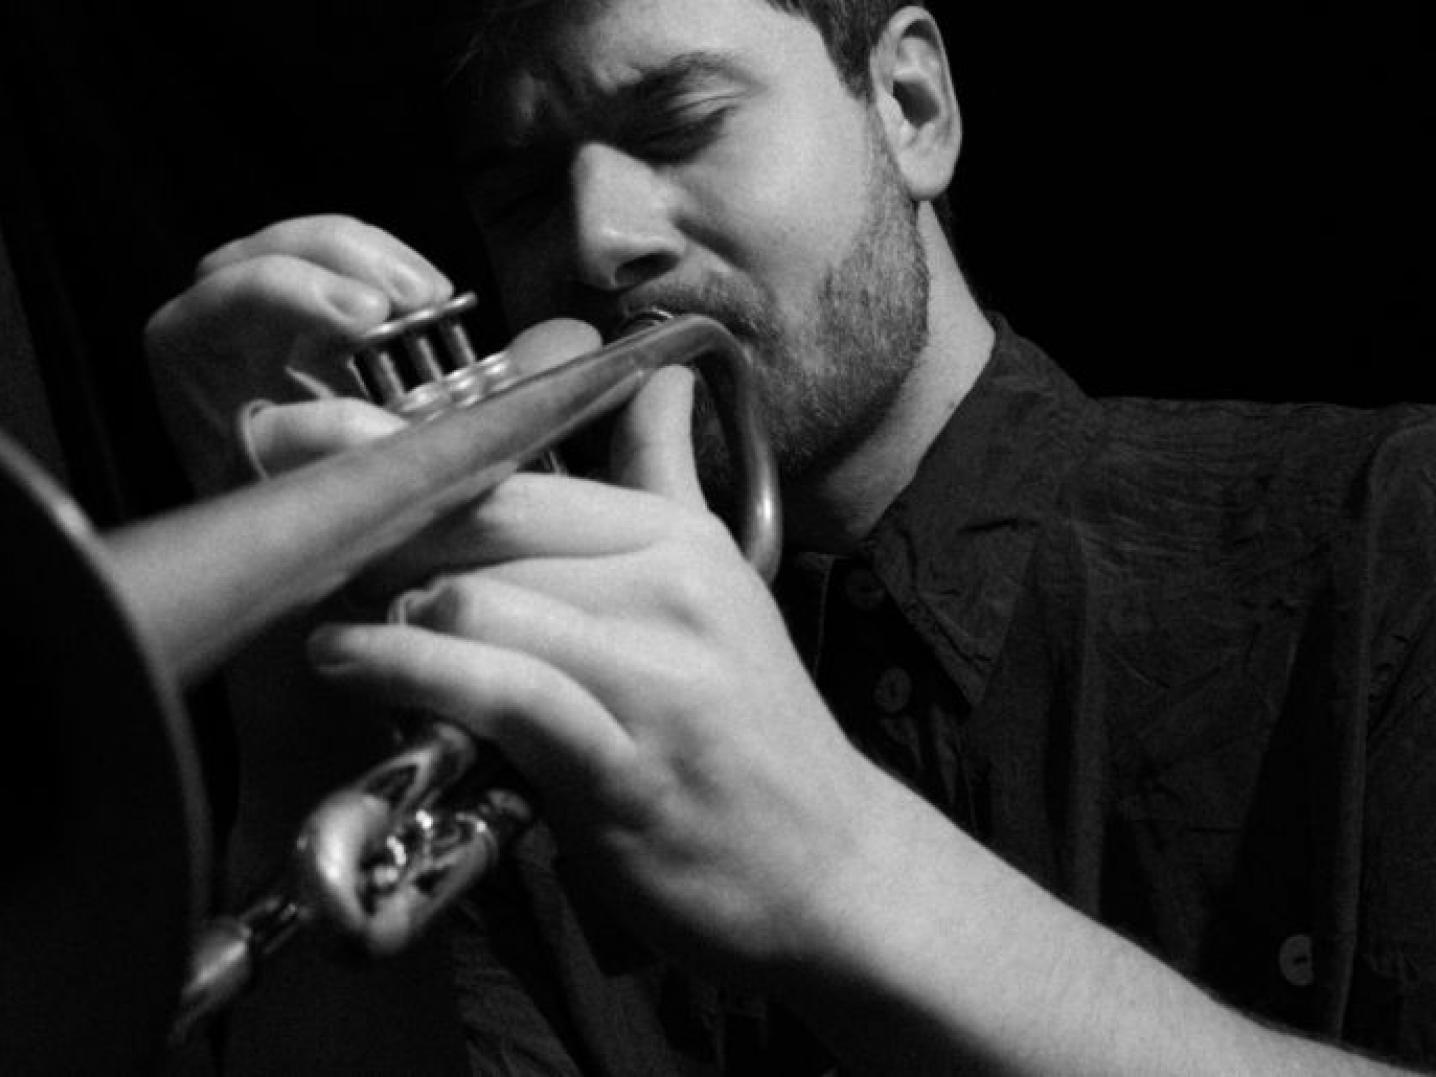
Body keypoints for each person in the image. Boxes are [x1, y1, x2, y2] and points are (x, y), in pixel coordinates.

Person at [145, 0, 1436, 1073]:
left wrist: (841, 866)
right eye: (527, 193)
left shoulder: (1386, 521)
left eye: (680, 123)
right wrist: (294, 671)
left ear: (912, 110)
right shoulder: (518, 721)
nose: (597, 242)